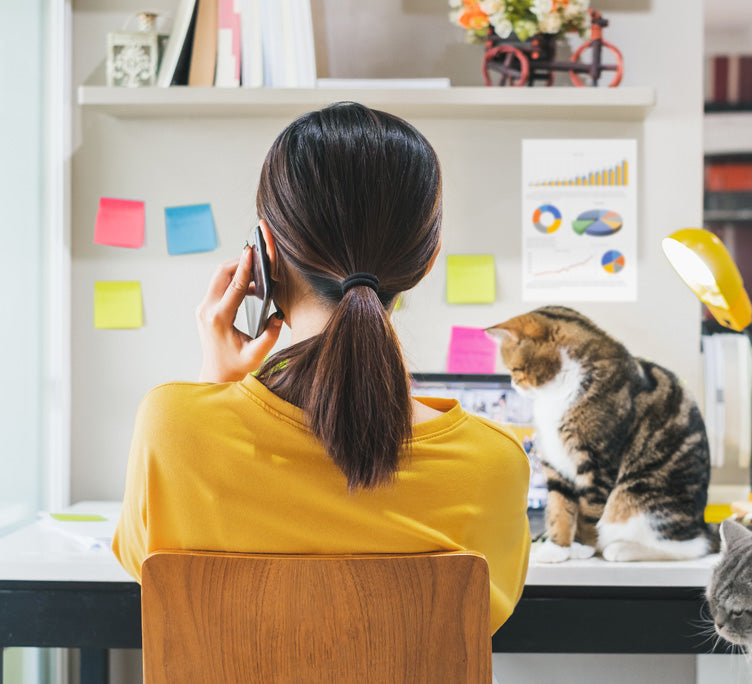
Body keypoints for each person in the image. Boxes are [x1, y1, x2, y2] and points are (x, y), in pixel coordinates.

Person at [112, 102, 532, 634]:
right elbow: (485, 619)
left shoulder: (170, 424)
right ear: (427, 261)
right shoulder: (494, 463)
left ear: (263, 256)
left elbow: (146, 567)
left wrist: (214, 390)